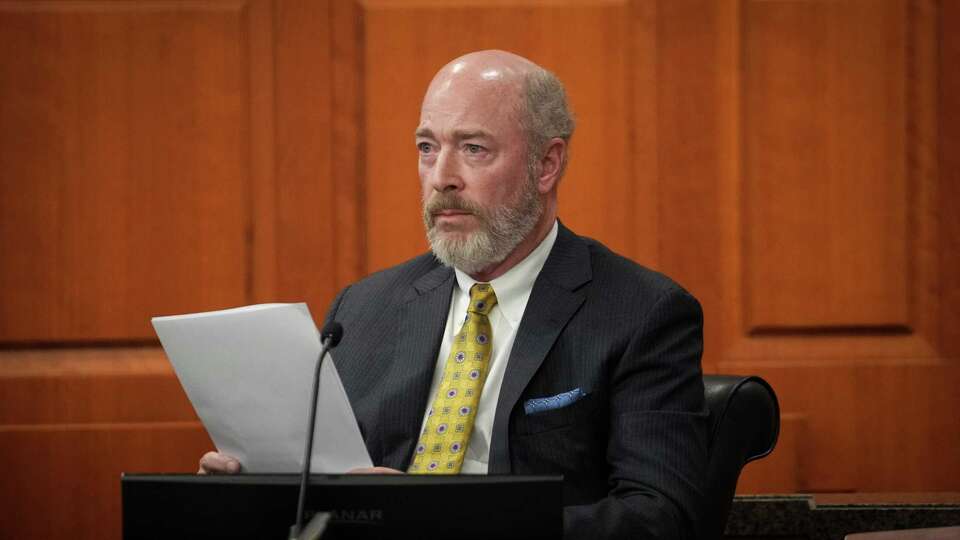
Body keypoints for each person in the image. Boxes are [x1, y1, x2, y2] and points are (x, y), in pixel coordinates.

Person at [200, 50, 707, 539]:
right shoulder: (363, 308)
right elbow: (328, 483)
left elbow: (660, 517)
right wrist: (252, 488)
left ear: (547, 164)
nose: (441, 178)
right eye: (427, 148)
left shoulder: (641, 312)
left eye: (473, 148)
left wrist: (446, 520)